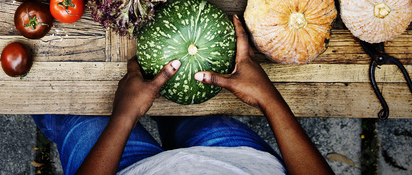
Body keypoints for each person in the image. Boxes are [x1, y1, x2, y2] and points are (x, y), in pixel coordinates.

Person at [34, 15, 335, 175]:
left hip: (127, 168)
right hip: (234, 158)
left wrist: (124, 117)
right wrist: (269, 99)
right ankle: (173, 120)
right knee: (185, 116)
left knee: (60, 102)